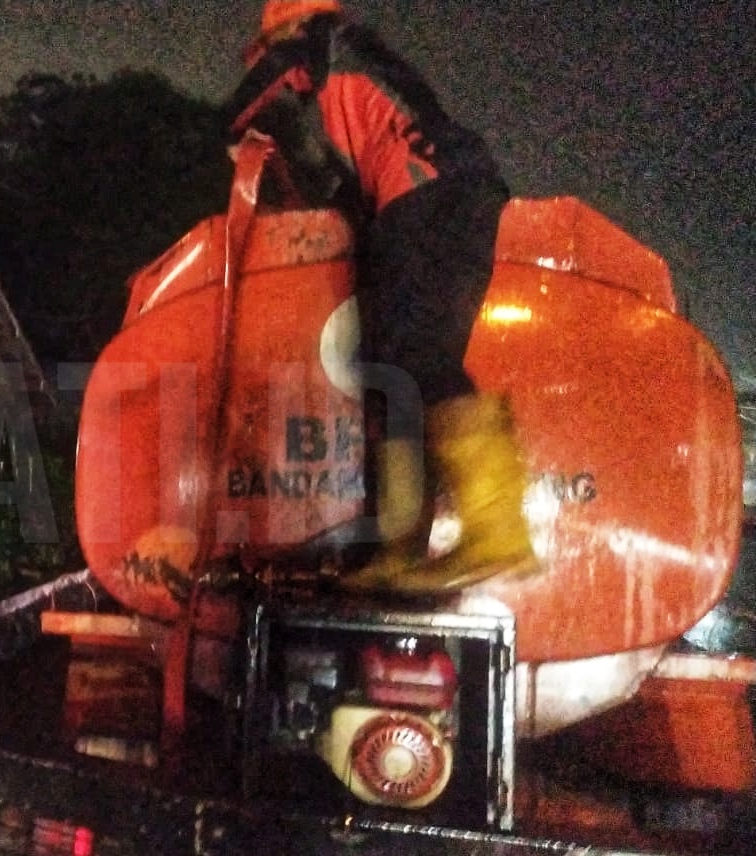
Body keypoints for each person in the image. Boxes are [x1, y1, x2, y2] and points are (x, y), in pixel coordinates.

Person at [222, 0, 538, 594]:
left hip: (430, 192)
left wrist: (234, 138)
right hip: (442, 195)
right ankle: (400, 547)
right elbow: (340, 176)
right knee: (390, 367)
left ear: (283, 30)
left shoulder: (314, 47)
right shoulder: (347, 65)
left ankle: (498, 526)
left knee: (415, 358)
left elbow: (238, 108)